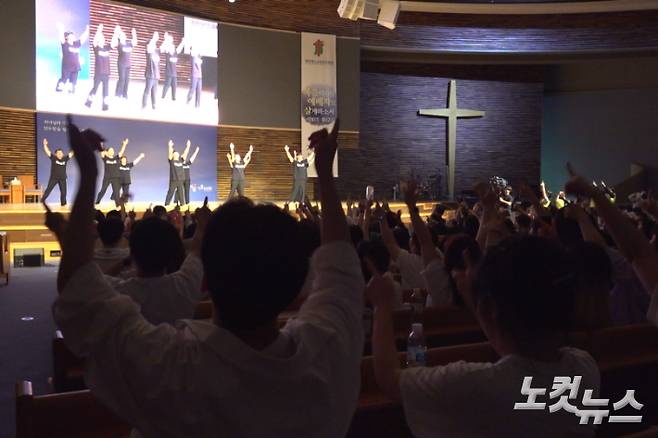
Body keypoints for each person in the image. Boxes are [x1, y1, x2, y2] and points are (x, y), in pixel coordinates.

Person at [53, 117, 367, 437]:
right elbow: (340, 267)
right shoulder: (328, 353)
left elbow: (79, 289)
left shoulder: (173, 370)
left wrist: (88, 173)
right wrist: (325, 175)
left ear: (207, 279)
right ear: (299, 284)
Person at [367, 235, 600, 438]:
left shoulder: (472, 384)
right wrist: (478, 300)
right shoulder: (585, 368)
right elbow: (512, 345)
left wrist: (381, 306)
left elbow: (389, 379)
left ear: (490, 309)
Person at [105, 212, 205, 325]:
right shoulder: (185, 285)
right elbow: (197, 249)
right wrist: (202, 223)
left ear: (132, 254)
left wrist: (124, 261)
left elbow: (98, 278)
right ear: (172, 256)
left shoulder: (119, 292)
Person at [84, 24, 113, 111]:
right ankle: (88, 103)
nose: (102, 40)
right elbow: (94, 41)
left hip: (106, 73)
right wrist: (99, 31)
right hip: (98, 73)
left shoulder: (106, 48)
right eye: (101, 39)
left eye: (103, 38)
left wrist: (116, 33)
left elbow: (113, 43)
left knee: (106, 90)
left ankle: (105, 106)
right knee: (95, 88)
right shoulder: (96, 48)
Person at [55, 23, 89, 93]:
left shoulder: (76, 44)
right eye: (71, 35)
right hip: (66, 67)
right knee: (63, 80)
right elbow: (61, 38)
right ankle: (59, 89)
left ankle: (70, 91)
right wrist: (61, 29)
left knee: (73, 82)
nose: (73, 36)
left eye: (73, 35)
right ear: (67, 37)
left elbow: (82, 38)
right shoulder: (65, 44)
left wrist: (87, 30)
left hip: (76, 66)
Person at [42, 138, 74, 206]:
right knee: (48, 190)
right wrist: (45, 145)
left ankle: (63, 204)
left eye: (61, 153)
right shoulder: (53, 158)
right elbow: (47, 151)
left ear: (63, 154)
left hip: (62, 178)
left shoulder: (65, 158)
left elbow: (72, 153)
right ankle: (42, 201)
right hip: (54, 178)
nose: (60, 154)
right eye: (58, 153)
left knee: (63, 192)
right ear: (56, 154)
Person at [96, 139, 128, 205]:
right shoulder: (105, 158)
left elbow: (121, 152)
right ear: (107, 152)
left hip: (116, 178)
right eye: (110, 150)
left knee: (116, 193)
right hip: (107, 178)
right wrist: (101, 145)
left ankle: (117, 204)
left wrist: (124, 144)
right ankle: (97, 201)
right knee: (103, 190)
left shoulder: (116, 158)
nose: (112, 151)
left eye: (112, 150)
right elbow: (102, 152)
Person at [113, 26, 137, 99]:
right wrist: (117, 33)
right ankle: (118, 94)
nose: (124, 36)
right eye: (122, 35)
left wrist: (134, 34)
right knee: (122, 79)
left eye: (124, 35)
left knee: (127, 80)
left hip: (128, 65)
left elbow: (135, 42)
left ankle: (124, 94)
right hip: (121, 64)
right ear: (120, 37)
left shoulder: (129, 44)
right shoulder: (120, 45)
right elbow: (114, 41)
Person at [160, 33, 185, 101]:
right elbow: (162, 48)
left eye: (173, 47)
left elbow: (179, 49)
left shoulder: (175, 53)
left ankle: (173, 98)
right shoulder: (168, 52)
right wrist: (166, 40)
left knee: (174, 85)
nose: (173, 47)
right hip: (168, 72)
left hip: (174, 73)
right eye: (172, 47)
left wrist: (182, 42)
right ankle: (163, 96)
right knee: (167, 85)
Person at [142, 32, 160, 110]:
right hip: (150, 74)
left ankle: (154, 105)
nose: (154, 45)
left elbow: (163, 47)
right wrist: (154, 38)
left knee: (154, 91)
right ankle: (144, 105)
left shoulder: (157, 51)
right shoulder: (149, 52)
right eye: (152, 44)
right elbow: (150, 45)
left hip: (156, 75)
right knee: (147, 90)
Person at [164, 140, 186, 206]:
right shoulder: (172, 161)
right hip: (174, 180)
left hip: (180, 180)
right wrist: (170, 146)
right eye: (175, 153)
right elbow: (170, 154)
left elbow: (185, 153)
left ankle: (183, 204)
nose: (176, 153)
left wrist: (188, 147)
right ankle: (167, 204)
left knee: (181, 192)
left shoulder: (181, 161)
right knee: (170, 192)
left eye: (177, 153)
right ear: (173, 155)